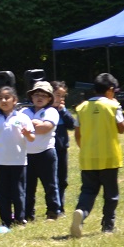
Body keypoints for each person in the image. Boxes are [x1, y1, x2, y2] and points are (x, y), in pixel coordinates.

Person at [70, 73, 124, 238]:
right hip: (109, 157)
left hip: (88, 158)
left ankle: (81, 212)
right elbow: (122, 128)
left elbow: (77, 134)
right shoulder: (113, 106)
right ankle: (108, 224)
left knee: (87, 190)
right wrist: (118, 106)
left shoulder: (81, 108)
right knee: (111, 193)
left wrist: (84, 148)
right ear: (110, 90)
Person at [0, 86, 35, 230]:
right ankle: (6, 220)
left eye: (7, 97)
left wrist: (27, 133)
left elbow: (32, 138)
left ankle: (20, 219)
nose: (4, 100)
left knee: (18, 192)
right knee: (3, 193)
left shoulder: (23, 118)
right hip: (0, 162)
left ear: (15, 100)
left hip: (18, 162)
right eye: (0, 98)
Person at [22, 80, 63, 221]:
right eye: (37, 94)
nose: (40, 97)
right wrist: (34, 125)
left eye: (44, 95)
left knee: (50, 185)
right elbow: (17, 128)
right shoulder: (24, 111)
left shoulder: (51, 111)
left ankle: (53, 212)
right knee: (28, 187)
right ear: (31, 97)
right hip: (26, 155)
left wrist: (30, 126)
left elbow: (45, 128)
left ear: (50, 98)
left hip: (46, 153)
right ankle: (28, 214)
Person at [51, 81, 76, 213]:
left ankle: (60, 206)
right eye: (57, 95)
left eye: (63, 96)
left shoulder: (62, 111)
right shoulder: (45, 111)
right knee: (51, 180)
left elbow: (72, 124)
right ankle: (53, 207)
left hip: (61, 149)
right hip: (48, 150)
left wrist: (63, 111)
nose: (60, 98)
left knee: (62, 179)